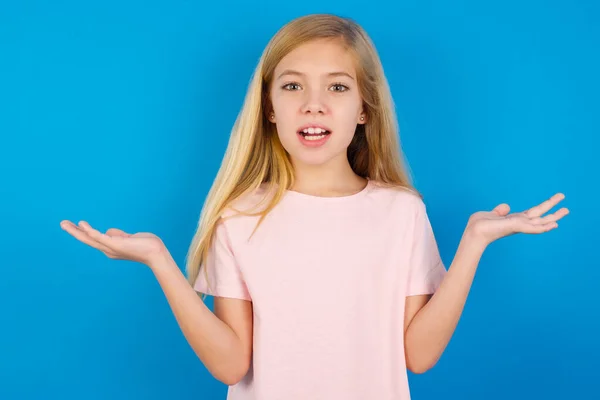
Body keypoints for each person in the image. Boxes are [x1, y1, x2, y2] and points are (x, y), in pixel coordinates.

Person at [60, 13, 569, 400]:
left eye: (338, 87)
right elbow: (231, 365)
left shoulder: (402, 212)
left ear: (364, 110)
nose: (314, 103)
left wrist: (474, 243)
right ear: (270, 110)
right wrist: (159, 261)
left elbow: (419, 355)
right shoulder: (239, 219)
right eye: (293, 85)